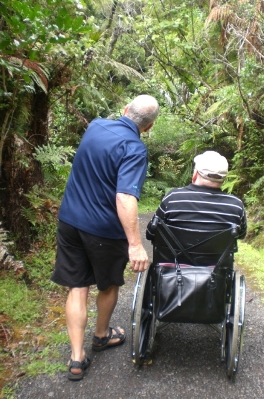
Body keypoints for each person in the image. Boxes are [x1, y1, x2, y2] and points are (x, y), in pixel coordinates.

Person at [51, 95, 159, 381]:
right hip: (104, 231)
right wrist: (135, 244)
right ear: (148, 127)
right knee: (108, 284)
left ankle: (76, 358)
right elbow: (125, 196)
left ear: (124, 109)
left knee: (77, 285)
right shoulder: (135, 148)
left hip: (70, 221)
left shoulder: (96, 126)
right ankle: (100, 336)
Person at [146, 150, 247, 240]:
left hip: (173, 261)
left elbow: (151, 233)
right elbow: (241, 235)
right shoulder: (236, 205)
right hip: (217, 261)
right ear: (224, 179)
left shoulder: (173, 198)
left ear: (195, 174)